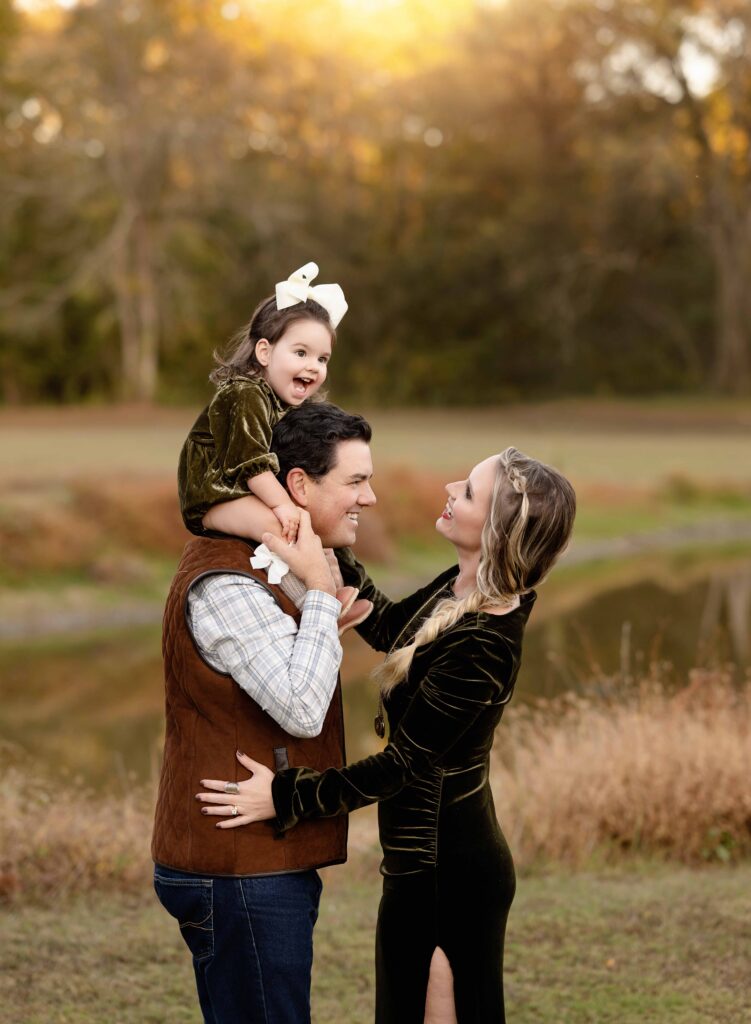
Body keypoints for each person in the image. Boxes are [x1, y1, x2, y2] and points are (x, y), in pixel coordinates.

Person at [197, 447, 576, 1024]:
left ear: (496, 530)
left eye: (469, 491)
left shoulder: (485, 643)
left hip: (446, 874)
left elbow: (400, 766)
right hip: (421, 865)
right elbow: (391, 626)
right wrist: (326, 551)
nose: (450, 486)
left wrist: (284, 796)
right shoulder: (463, 590)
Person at [152, 403, 376, 1024]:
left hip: (260, 863)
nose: (371, 497)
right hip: (239, 870)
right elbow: (302, 709)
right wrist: (322, 606)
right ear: (299, 485)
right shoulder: (231, 581)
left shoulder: (271, 568)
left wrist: (319, 600)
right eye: (355, 481)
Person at [178, 261, 347, 545]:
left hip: (249, 490)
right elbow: (252, 464)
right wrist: (283, 506)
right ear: (265, 352)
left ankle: (339, 586)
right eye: (301, 353)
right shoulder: (244, 394)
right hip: (215, 494)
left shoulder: (284, 403)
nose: (314, 366)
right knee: (284, 530)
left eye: (322, 359)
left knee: (319, 536)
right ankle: (307, 587)